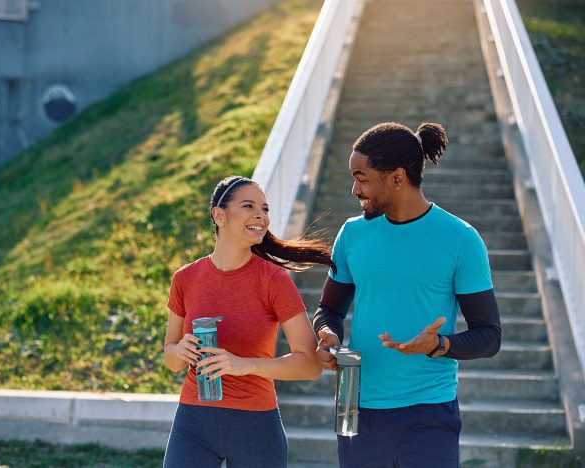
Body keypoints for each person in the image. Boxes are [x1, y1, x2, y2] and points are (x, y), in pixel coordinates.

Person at [313, 122, 501, 467]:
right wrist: (328, 336)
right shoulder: (352, 234)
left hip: (429, 411)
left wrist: (440, 345)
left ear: (397, 177)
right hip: (352, 405)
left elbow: (489, 336)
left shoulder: (460, 239)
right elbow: (329, 309)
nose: (354, 188)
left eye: (362, 177)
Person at [162, 175, 335, 468]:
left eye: (265, 208)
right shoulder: (185, 279)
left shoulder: (273, 281)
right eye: (249, 206)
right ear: (219, 216)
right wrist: (180, 352)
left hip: (256, 427)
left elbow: (310, 364)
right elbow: (170, 357)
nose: (261, 215)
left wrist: (246, 365)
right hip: (193, 423)